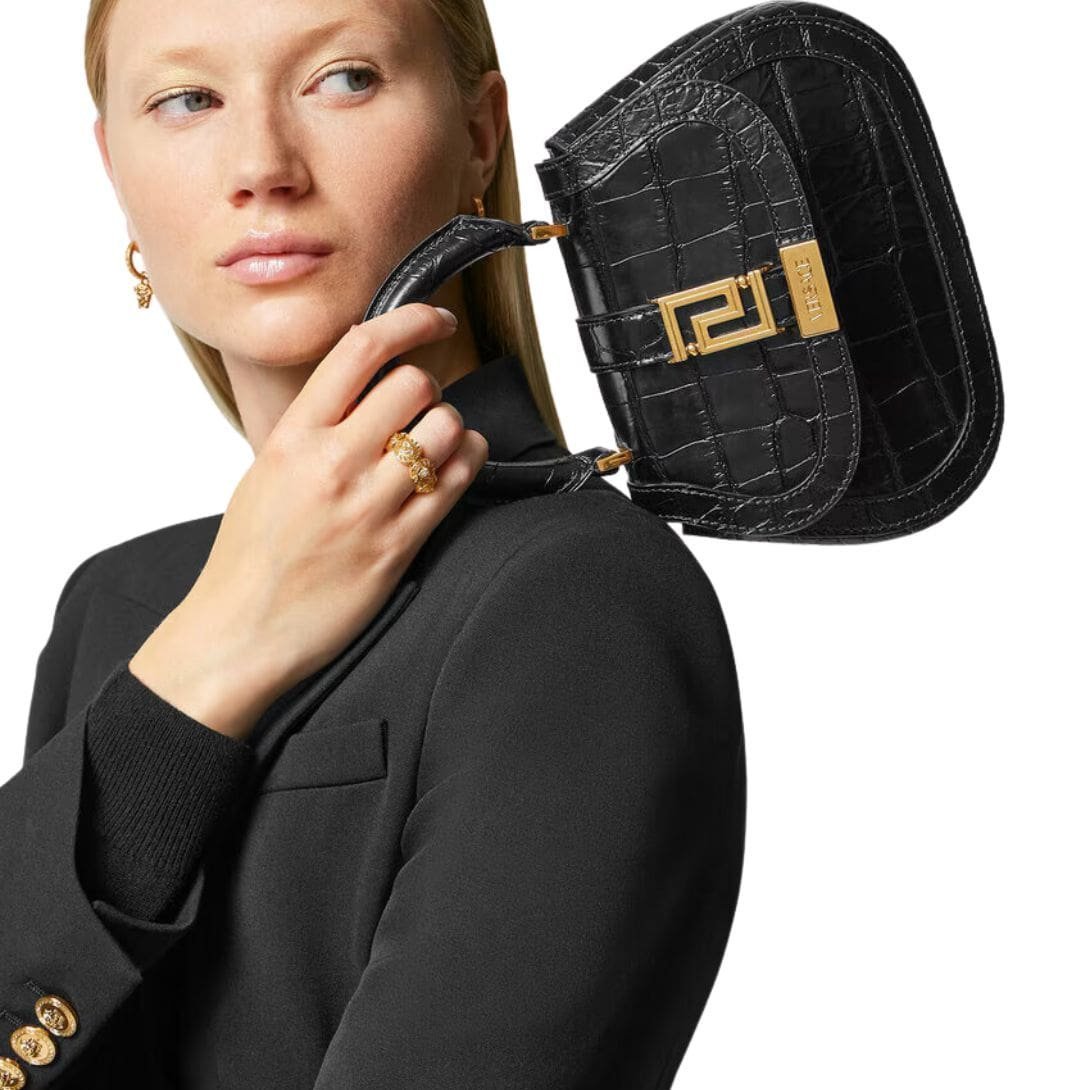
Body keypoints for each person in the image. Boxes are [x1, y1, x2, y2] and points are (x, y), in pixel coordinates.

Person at [0, 0, 747, 1086]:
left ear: (478, 135)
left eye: (344, 78)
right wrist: (214, 648)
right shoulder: (116, 604)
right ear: (115, 165)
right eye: (188, 99)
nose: (261, 167)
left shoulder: (578, 595)